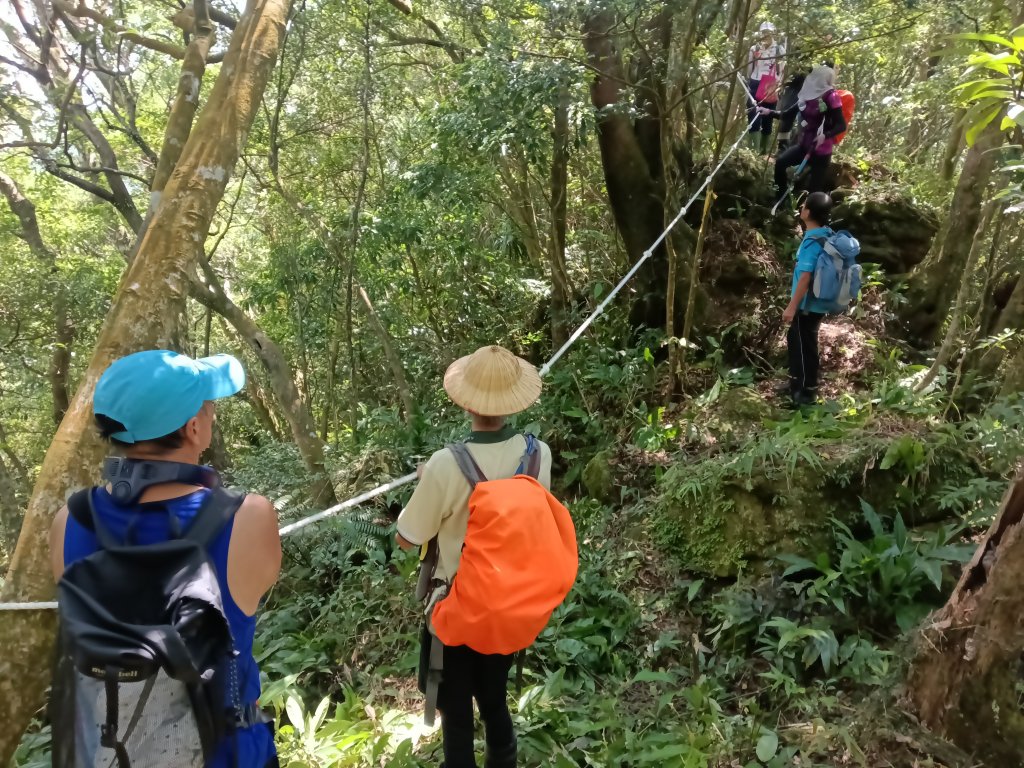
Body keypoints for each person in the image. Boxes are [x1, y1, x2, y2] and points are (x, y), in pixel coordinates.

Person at [48, 350, 282, 768]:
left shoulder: (70, 522)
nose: (210, 418)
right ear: (194, 428)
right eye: (209, 411)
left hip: (113, 750)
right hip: (225, 753)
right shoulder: (246, 517)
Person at [395, 345, 553, 768]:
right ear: (515, 401)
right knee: (496, 701)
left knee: (458, 718)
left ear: (465, 402)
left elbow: (407, 538)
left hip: (456, 611)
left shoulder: (446, 464)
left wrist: (426, 482)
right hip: (510, 606)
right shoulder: (539, 455)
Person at [761, 64, 847, 204]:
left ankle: (810, 217)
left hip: (821, 151)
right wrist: (769, 112)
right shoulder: (807, 94)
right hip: (804, 145)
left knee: (814, 191)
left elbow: (841, 125)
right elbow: (788, 114)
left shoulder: (831, 97)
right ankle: (781, 200)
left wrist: (825, 135)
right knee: (781, 163)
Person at [780, 192, 836, 406]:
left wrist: (791, 307)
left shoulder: (812, 240)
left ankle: (803, 394)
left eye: (803, 206)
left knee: (801, 344)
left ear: (809, 212)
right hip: (819, 301)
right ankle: (801, 383)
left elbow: (805, 276)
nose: (801, 208)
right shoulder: (827, 233)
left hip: (807, 303)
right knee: (805, 342)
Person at [746, 21, 786, 156]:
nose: (766, 35)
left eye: (768, 33)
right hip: (755, 83)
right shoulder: (754, 48)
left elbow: (782, 70)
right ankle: (753, 152)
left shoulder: (779, 49)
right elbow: (749, 69)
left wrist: (778, 85)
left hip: (771, 85)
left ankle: (763, 152)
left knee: (768, 116)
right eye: (764, 33)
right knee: (753, 115)